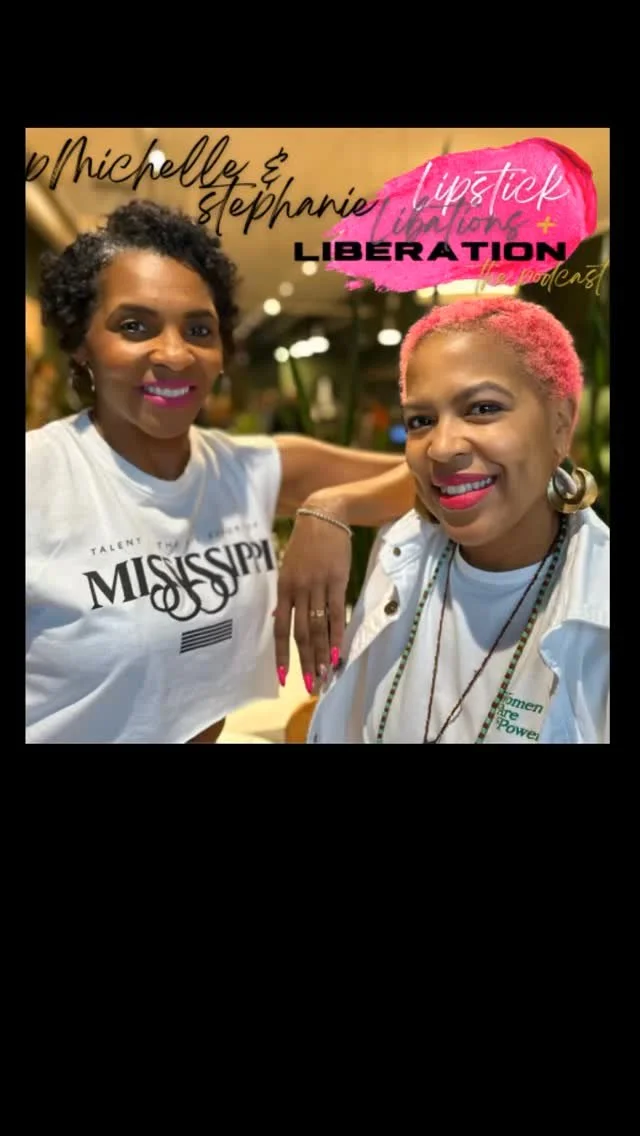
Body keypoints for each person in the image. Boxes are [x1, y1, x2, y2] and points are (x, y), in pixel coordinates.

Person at [26, 200, 417, 744]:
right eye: (134, 326)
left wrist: (333, 507)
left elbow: (430, 478)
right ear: (81, 345)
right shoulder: (40, 477)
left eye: (198, 329)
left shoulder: (244, 470)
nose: (174, 354)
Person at [305, 297, 609, 745]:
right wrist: (326, 510)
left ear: (560, 426)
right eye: (421, 420)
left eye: (483, 408)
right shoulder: (399, 555)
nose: (442, 447)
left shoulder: (597, 606)